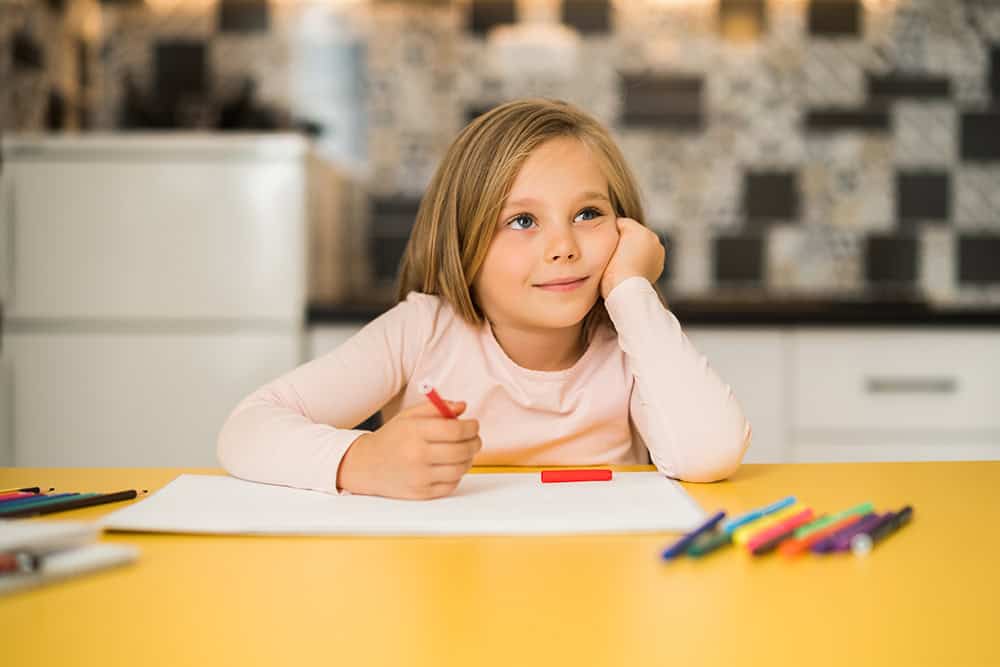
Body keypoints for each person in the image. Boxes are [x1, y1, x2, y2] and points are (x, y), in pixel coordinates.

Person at [217, 98, 751, 500]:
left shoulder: (632, 343)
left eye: (588, 215)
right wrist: (361, 459)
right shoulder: (421, 331)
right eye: (522, 221)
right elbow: (247, 428)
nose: (563, 247)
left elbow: (711, 452)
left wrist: (631, 291)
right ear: (462, 241)